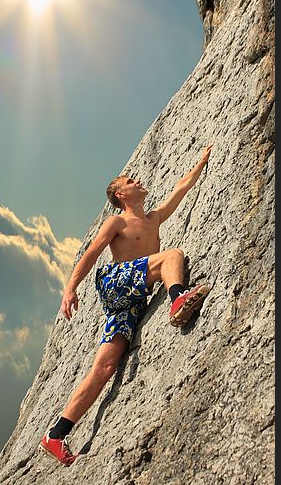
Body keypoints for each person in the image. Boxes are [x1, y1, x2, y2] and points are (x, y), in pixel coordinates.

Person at [40, 144, 213, 466]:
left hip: (128, 303)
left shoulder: (153, 218)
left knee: (105, 367)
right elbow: (91, 253)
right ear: (120, 195)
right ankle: (178, 300)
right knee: (171, 256)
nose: (138, 182)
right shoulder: (116, 223)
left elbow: (181, 188)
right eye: (131, 181)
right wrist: (70, 289)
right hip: (115, 281)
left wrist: (202, 161)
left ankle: (56, 434)